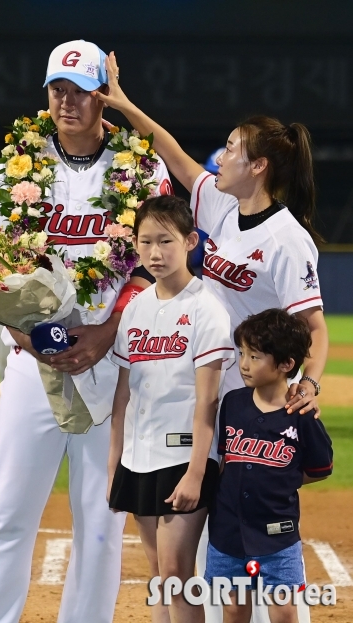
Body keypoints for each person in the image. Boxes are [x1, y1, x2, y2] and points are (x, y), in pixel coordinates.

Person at [92, 52, 329, 623]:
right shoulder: (220, 203)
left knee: (245, 550)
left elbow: (315, 329)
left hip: (241, 400)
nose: (219, 156)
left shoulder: (287, 240)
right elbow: (169, 150)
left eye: (231, 149)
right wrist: (123, 106)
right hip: (194, 381)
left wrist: (309, 382)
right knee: (186, 559)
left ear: (261, 166)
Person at [0, 40, 173, 623]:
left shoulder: (143, 168)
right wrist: (23, 331)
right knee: (7, 512)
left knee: (101, 521)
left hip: (112, 365)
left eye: (81, 91)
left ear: (103, 94)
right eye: (58, 89)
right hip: (33, 361)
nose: (68, 101)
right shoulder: (17, 166)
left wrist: (108, 333)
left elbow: (161, 265)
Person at [108, 195, 234, 623]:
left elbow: (208, 400)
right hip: (138, 456)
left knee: (178, 575)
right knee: (161, 576)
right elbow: (123, 395)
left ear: (190, 241)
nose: (155, 253)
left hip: (182, 456)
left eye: (166, 240)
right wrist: (114, 465)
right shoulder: (136, 310)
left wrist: (198, 471)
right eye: (146, 242)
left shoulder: (207, 309)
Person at [205, 308, 333, 623]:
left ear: (286, 364)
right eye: (243, 354)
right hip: (228, 531)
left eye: (255, 356)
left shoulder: (301, 415)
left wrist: (280, 478)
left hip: (278, 532)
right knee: (233, 609)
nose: (244, 364)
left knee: (284, 611)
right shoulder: (232, 404)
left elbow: (320, 468)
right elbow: (227, 460)